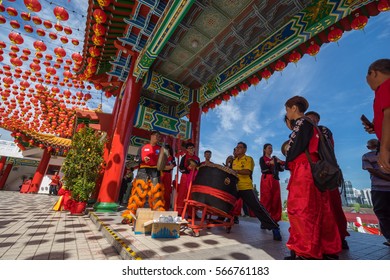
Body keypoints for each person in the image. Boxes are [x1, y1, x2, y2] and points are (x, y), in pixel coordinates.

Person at [284, 96, 341, 259]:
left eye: (287, 110)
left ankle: (305, 252)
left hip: (304, 170)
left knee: (302, 210)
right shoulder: (313, 126)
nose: (287, 114)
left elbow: (293, 150)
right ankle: (327, 249)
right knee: (321, 210)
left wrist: (287, 161)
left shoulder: (302, 122)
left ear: (294, 108)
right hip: (315, 170)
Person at [305, 110, 350, 250]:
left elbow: (321, 149)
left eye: (310, 118)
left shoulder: (322, 130)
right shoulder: (303, 131)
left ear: (316, 120)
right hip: (310, 172)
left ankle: (339, 237)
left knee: (332, 205)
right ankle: (316, 239)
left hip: (325, 172)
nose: (307, 121)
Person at [232, 141, 282, 241]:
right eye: (237, 147)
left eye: (240, 147)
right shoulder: (234, 161)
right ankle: (221, 219)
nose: (237, 149)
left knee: (258, 208)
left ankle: (274, 227)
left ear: (245, 150)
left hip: (246, 188)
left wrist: (235, 171)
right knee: (227, 201)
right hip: (235, 188)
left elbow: (247, 172)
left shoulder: (248, 159)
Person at [122, 131, 165, 223]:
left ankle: (158, 215)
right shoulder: (143, 147)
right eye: (156, 136)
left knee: (157, 193)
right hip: (143, 170)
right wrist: (143, 159)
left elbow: (163, 161)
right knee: (138, 192)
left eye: (159, 136)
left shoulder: (160, 149)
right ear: (151, 136)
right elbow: (136, 159)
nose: (158, 138)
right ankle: (130, 215)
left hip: (155, 171)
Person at [364, 59, 390, 174]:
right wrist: (377, 128)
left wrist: (384, 149)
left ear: (374, 73)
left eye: (367, 77)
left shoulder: (386, 86)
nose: (367, 81)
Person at [362, 138, 390, 246]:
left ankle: (389, 237)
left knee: (382, 213)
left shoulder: (366, 156)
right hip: (379, 189)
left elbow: (372, 171)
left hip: (378, 189)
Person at [259, 143, 284, 224]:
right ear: (264, 149)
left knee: (276, 199)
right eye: (269, 148)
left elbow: (281, 169)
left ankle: (275, 219)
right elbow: (263, 169)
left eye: (271, 148)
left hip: (275, 179)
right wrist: (270, 163)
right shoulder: (262, 158)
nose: (271, 149)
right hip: (266, 179)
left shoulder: (274, 158)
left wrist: (279, 162)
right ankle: (265, 221)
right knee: (266, 199)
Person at [176, 142, 200, 216]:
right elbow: (180, 168)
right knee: (182, 194)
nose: (191, 150)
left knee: (192, 196)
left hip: (193, 178)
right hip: (185, 177)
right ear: (186, 149)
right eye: (189, 148)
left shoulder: (197, 158)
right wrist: (187, 169)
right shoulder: (184, 157)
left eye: (192, 148)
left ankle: (191, 214)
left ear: (194, 149)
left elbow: (199, 168)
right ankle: (179, 212)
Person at [161, 145, 176, 210]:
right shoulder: (161, 157)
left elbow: (171, 167)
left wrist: (163, 167)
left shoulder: (172, 158)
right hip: (160, 174)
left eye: (166, 149)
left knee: (166, 191)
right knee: (158, 189)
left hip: (167, 175)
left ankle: (165, 207)